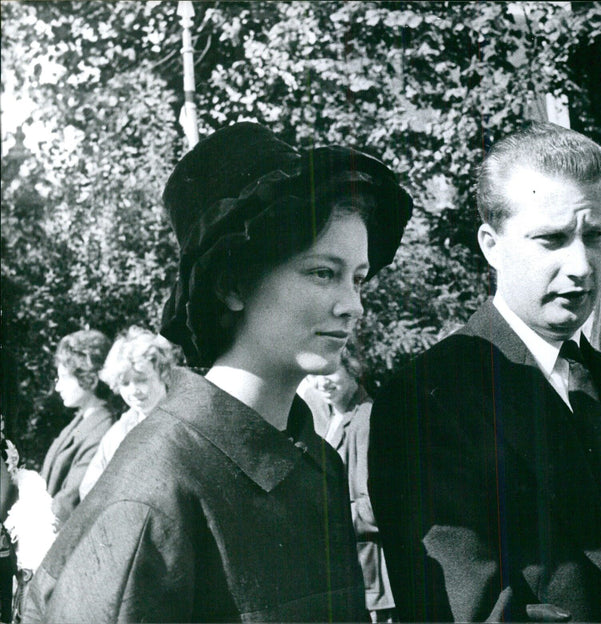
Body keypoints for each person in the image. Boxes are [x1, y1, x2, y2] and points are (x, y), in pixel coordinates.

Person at [22, 122, 412, 622]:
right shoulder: (156, 490)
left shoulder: (317, 463)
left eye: (358, 279)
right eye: (323, 273)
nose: (352, 305)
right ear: (232, 284)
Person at [369, 121, 601, 623]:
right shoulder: (428, 398)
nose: (582, 264)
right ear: (491, 245)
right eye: (552, 239)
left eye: (595, 235)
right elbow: (466, 612)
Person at [306, 353, 395, 622]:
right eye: (313, 375)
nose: (321, 383)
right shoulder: (332, 415)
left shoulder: (366, 419)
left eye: (329, 372)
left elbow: (376, 506)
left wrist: (323, 521)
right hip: (348, 568)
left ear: (352, 370)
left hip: (372, 574)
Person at [78, 326, 180, 499]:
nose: (134, 390)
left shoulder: (183, 420)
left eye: (141, 380)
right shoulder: (118, 432)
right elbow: (89, 491)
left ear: (162, 372)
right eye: (125, 383)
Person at [40, 329, 114, 526]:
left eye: (64, 377)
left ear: (89, 379)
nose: (57, 387)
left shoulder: (103, 430)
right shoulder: (81, 420)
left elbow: (69, 502)